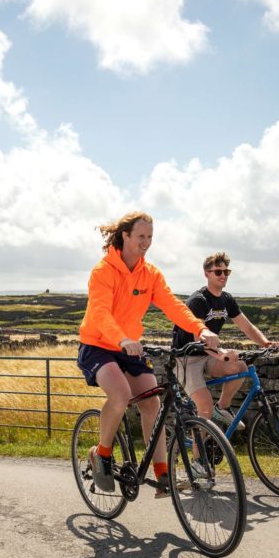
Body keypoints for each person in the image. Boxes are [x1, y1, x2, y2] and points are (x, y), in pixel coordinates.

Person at [77, 211, 219, 497]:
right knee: (119, 396)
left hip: (129, 347)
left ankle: (162, 474)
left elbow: (172, 304)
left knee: (152, 403)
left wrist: (199, 329)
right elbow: (100, 313)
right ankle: (101, 455)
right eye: (141, 236)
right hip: (98, 345)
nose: (146, 242)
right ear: (125, 236)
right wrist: (122, 338)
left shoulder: (149, 273)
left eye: (150, 237)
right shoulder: (103, 271)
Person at [172, 252, 279, 430]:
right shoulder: (198, 301)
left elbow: (247, 327)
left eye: (226, 272)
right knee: (204, 408)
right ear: (206, 274)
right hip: (186, 358)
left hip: (208, 354)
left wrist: (266, 343)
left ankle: (222, 408)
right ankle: (199, 458)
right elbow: (197, 338)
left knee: (240, 367)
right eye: (218, 272)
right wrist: (220, 354)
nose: (223, 276)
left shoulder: (226, 299)